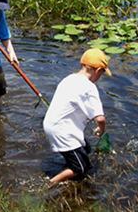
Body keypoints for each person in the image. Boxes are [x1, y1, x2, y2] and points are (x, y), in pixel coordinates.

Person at [43, 48, 111, 183]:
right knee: (81, 168)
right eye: (102, 73)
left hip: (52, 123)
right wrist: (102, 131)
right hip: (62, 131)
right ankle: (48, 184)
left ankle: (70, 164)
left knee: (86, 149)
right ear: (97, 71)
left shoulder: (69, 79)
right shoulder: (89, 87)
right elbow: (100, 118)